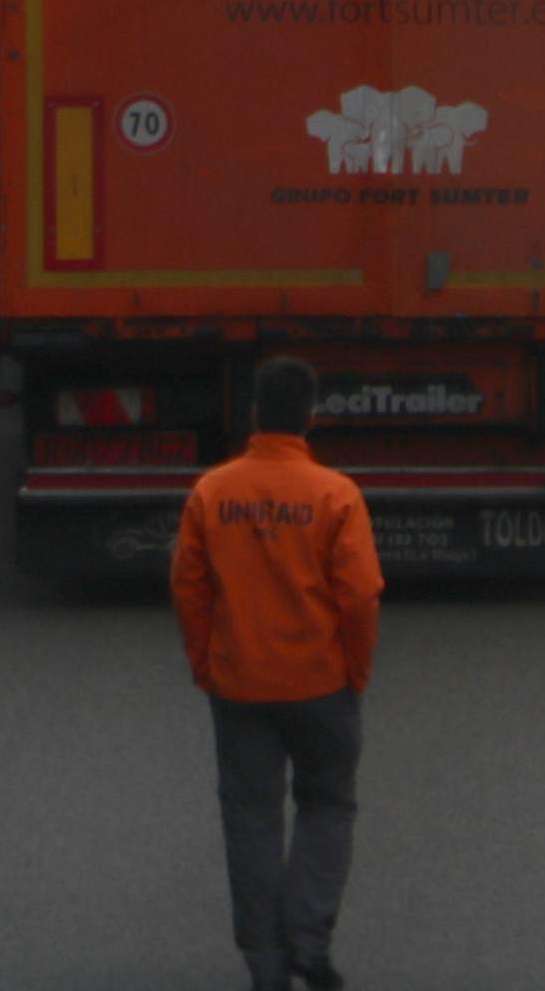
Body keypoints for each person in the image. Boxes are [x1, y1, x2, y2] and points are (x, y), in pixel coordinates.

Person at [173, 355, 384, 991]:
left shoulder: (213, 491)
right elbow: (359, 596)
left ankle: (266, 965)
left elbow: (188, 586)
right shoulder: (336, 495)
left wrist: (206, 660)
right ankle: (308, 937)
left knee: (252, 820)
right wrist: (355, 668)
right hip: (322, 683)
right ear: (311, 419)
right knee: (328, 805)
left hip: (239, 685)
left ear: (254, 415)